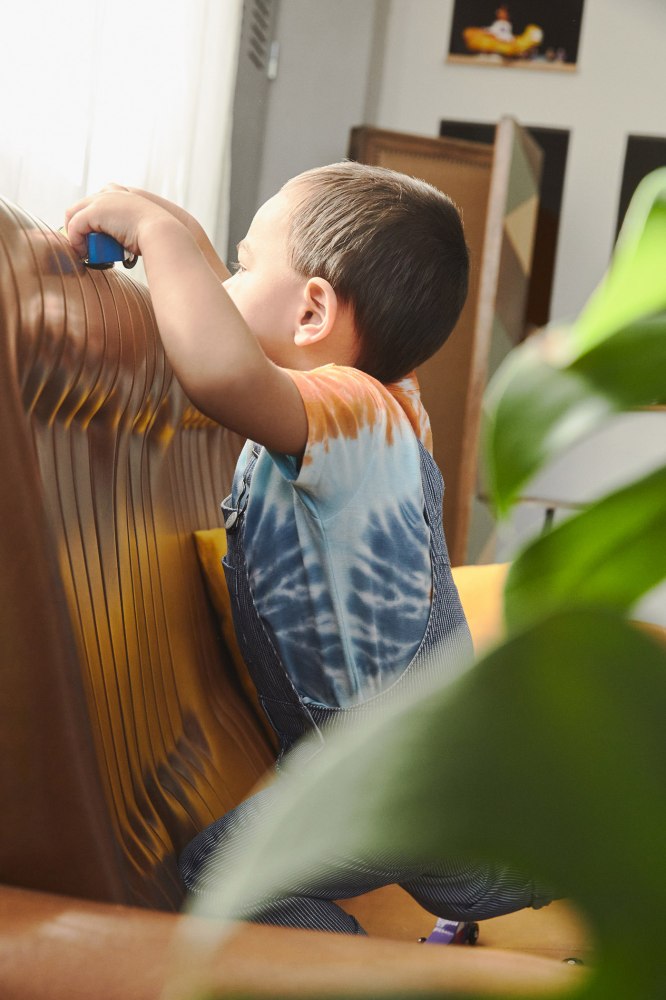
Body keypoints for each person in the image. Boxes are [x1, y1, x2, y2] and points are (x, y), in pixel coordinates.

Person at [65, 162, 553, 935]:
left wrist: (156, 236)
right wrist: (157, 218)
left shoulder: (348, 410)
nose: (227, 280)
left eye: (247, 263)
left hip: (406, 788)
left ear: (314, 311)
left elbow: (221, 369)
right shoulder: (383, 402)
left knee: (223, 879)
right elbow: (237, 314)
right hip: (430, 786)